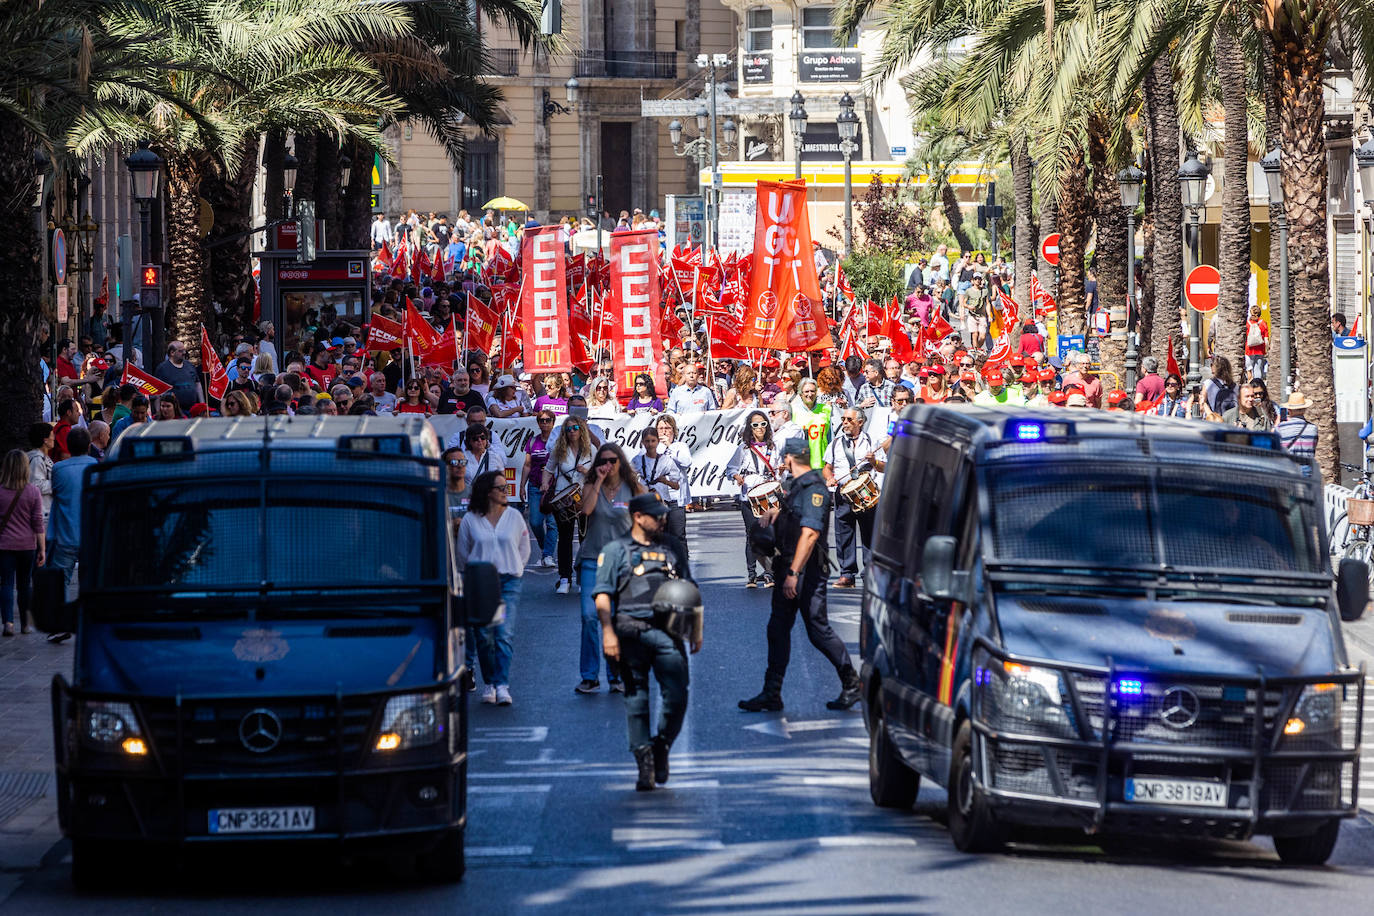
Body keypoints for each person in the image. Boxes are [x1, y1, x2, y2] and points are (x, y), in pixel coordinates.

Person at [739, 436, 861, 713]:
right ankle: (771, 693)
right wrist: (774, 513)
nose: (783, 462)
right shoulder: (795, 487)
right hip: (788, 568)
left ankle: (852, 684)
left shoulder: (814, 488)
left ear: (790, 458)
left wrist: (794, 572)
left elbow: (810, 532)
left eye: (784, 458)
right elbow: (792, 516)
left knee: (818, 631)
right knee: (777, 630)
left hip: (806, 572)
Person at [595, 492, 698, 791]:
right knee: (636, 700)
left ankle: (662, 746)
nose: (662, 519)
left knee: (677, 695)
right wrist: (608, 632)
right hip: (630, 630)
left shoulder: (673, 546)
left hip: (669, 631)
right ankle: (644, 761)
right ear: (638, 517)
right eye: (656, 515)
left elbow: (688, 586)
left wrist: (696, 629)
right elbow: (603, 594)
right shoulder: (615, 550)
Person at [574, 443, 644, 695]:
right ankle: (590, 676)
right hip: (593, 560)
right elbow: (586, 509)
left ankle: (616, 675)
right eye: (603, 460)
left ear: (620, 462)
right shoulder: (592, 485)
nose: (608, 465)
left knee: (616, 620)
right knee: (590, 616)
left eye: (613, 460)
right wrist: (598, 480)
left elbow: (649, 516)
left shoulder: (633, 488)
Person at [456, 470, 528, 706]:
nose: (506, 491)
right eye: (501, 487)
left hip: (508, 582)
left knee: (503, 633)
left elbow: (524, 548)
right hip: (482, 583)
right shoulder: (471, 519)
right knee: (484, 635)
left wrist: (516, 567)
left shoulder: (515, 517)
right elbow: (463, 554)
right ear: (488, 492)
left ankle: (502, 684)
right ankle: (490, 682)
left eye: (507, 487)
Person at [823, 408, 879, 589]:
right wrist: (829, 477)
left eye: (849, 419)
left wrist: (874, 461)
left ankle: (869, 572)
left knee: (869, 533)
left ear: (860, 422)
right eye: (843, 419)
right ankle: (847, 574)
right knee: (843, 533)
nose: (845, 422)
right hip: (843, 492)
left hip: (865, 492)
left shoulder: (871, 441)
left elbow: (883, 467)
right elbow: (827, 466)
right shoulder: (835, 443)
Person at [727, 410, 779, 588]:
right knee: (752, 534)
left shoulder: (774, 447)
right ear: (750, 427)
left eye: (763, 424)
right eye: (755, 425)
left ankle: (769, 574)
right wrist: (737, 477)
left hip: (769, 495)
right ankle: (751, 574)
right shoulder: (743, 449)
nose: (760, 428)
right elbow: (731, 468)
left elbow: (780, 472)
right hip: (749, 495)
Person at [545, 416, 595, 594]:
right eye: (568, 429)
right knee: (565, 538)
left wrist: (587, 471)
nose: (572, 431)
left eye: (575, 428)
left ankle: (583, 578)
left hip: (584, 498)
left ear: (581, 430)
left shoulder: (591, 450)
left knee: (584, 540)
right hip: (563, 497)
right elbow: (548, 470)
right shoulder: (558, 450)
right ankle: (564, 578)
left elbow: (600, 473)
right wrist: (545, 486)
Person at [0, 449, 45, 637]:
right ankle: (25, 624)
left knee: (6, 584)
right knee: (25, 584)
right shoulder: (33, 492)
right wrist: (42, 548)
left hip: (4, 545)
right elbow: (37, 522)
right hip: (27, 545)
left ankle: (8, 623)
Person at [633, 425, 686, 552]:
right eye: (647, 441)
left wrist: (664, 481)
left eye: (653, 441)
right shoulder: (637, 460)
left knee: (664, 538)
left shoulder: (666, 461)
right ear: (642, 442)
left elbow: (676, 485)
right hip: (645, 503)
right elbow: (628, 478)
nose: (650, 444)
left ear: (658, 441)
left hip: (662, 502)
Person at [520, 410, 559, 568]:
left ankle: (548, 554)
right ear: (538, 423)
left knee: (552, 523)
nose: (544, 423)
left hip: (554, 488)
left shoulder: (558, 442)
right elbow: (527, 464)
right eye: (541, 420)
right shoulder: (532, 441)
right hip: (535, 486)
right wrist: (522, 485)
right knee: (535, 522)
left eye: (548, 420)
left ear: (553, 422)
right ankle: (545, 549)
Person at [791, 379, 832, 470]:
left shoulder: (826, 409)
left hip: (822, 463)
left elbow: (830, 437)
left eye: (812, 391)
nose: (810, 394)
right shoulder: (793, 411)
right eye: (806, 391)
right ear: (800, 393)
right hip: (801, 464)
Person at [153, 339, 204, 412]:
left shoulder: (190, 366)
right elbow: (157, 392)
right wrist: (159, 412)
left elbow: (197, 384)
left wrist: (202, 404)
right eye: (180, 351)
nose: (184, 353)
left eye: (184, 350)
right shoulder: (162, 368)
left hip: (192, 410)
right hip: (173, 413)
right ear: (172, 352)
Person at [25, 423, 54, 523]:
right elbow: (36, 484)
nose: (54, 438)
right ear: (45, 440)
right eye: (52, 435)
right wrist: (57, 483)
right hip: (42, 512)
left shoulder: (43, 457)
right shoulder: (37, 459)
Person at [1276, 392, 1317, 457]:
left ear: (1289, 410)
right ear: (1304, 409)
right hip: (1307, 465)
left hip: (1288, 466)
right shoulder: (1313, 428)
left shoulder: (1281, 427)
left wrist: (1277, 423)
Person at [1244, 305, 1270, 380]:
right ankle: (1257, 385)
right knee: (1258, 369)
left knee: (1249, 370)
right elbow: (1266, 339)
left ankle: (1250, 386)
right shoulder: (1263, 323)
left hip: (1249, 349)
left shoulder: (1248, 323)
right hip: (1260, 350)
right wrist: (1267, 349)